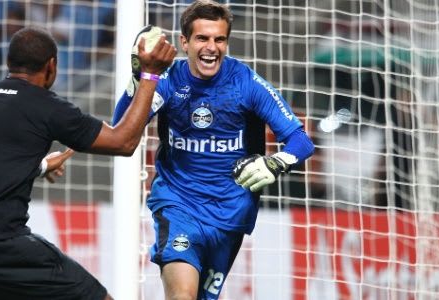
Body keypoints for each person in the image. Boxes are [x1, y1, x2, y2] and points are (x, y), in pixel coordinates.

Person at [0, 26, 176, 300]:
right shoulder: (45, 106)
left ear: (9, 63)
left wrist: (39, 166)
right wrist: (150, 75)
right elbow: (123, 142)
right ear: (51, 66)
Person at [112, 1, 315, 299]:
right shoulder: (169, 82)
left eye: (219, 39)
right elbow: (121, 130)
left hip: (229, 214)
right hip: (178, 204)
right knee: (182, 295)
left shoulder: (245, 83)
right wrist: (137, 84)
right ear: (185, 42)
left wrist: (276, 162)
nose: (212, 47)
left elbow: (301, 141)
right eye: (202, 38)